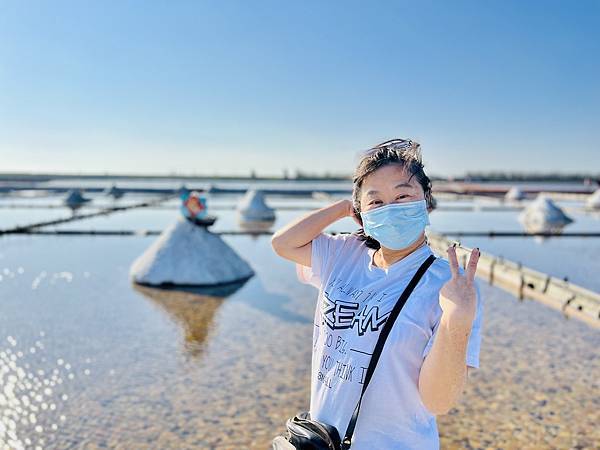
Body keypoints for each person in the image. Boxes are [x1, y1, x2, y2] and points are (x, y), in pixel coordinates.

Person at [270, 138, 483, 449]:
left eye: (403, 196)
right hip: (327, 442)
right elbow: (283, 244)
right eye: (376, 202)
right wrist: (344, 208)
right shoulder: (343, 253)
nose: (390, 209)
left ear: (425, 201)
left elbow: (438, 401)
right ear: (362, 211)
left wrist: (458, 320)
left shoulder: (450, 285)